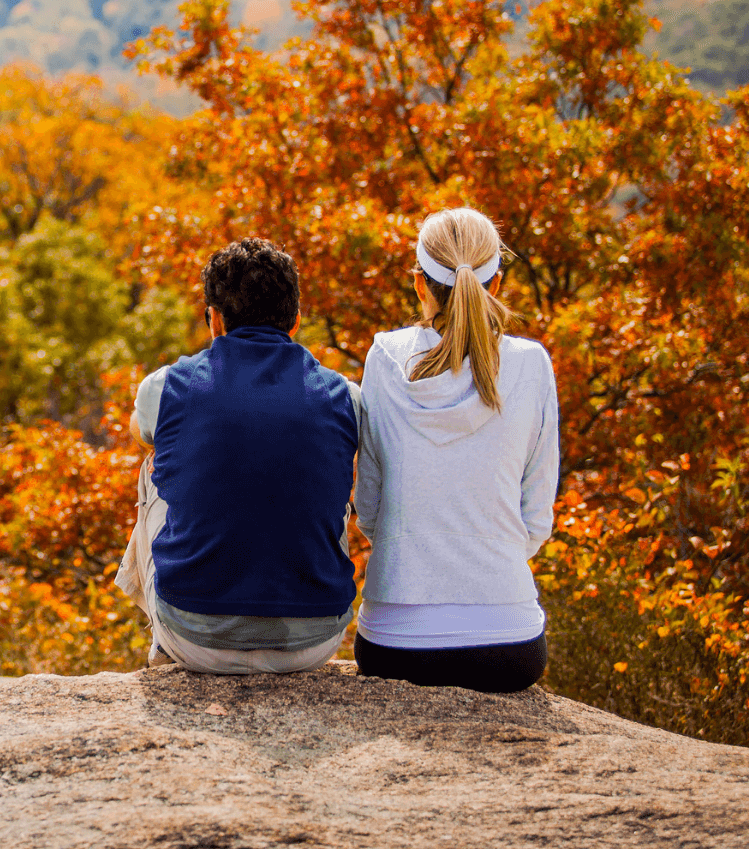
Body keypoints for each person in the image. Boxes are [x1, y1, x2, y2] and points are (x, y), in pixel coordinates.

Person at [115, 237, 368, 674]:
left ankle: (160, 640)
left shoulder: (167, 386)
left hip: (195, 637)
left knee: (154, 464)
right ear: (296, 321)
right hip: (315, 640)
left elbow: (141, 433)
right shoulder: (345, 396)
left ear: (214, 319)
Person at [353, 207, 559, 693]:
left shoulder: (384, 358)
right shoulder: (532, 364)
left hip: (393, 644)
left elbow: (369, 509)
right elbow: (536, 518)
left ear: (420, 285)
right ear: (498, 284)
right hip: (508, 645)